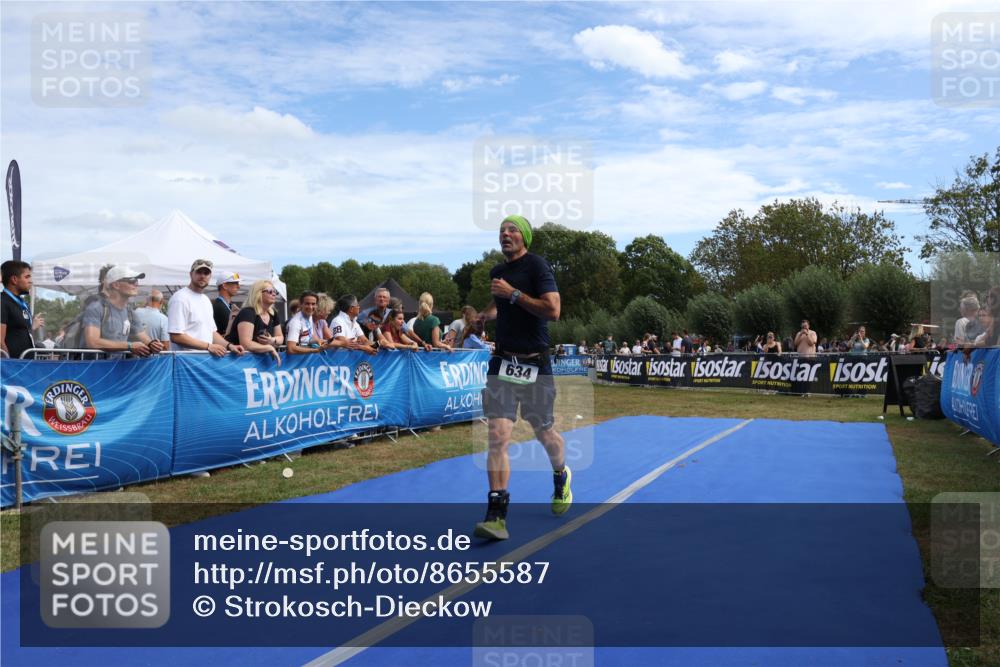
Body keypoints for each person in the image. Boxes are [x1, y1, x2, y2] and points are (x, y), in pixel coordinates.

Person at [474, 214, 570, 541]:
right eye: (502, 230)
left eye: (512, 229)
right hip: (503, 362)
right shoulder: (497, 272)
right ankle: (496, 516)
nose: (505, 233)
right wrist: (484, 316)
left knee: (544, 432)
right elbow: (499, 303)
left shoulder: (537, 266)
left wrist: (514, 294)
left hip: (534, 364)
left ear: (524, 236)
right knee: (497, 435)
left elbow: (553, 310)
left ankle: (560, 475)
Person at [167, 259, 246, 356]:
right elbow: (176, 336)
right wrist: (208, 346)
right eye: (199, 272)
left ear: (210, 276)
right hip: (185, 361)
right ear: (191, 274)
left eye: (206, 273)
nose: (202, 276)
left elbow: (211, 332)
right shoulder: (180, 298)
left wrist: (229, 346)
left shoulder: (205, 300)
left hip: (204, 360)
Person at [82, 266, 163, 357]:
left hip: (115, 365)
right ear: (116, 285)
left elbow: (143, 337)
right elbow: (93, 342)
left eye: (137, 281)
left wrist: (152, 344)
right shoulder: (96, 307)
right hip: (92, 365)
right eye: (132, 280)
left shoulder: (130, 312)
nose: (136, 284)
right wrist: (129, 346)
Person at [227, 279, 284, 364]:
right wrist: (269, 347)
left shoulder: (273, 313)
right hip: (238, 361)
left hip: (256, 363)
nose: (274, 294)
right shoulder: (248, 312)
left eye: (275, 291)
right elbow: (246, 344)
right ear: (258, 293)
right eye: (270, 291)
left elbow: (280, 337)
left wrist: (272, 340)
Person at [1, 260, 39, 359]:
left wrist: (32, 327)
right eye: (27, 277)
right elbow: (0, 341)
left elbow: (20, 333)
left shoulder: (22, 303)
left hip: (25, 364)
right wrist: (9, 364)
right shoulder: (2, 301)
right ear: (14, 279)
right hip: (12, 366)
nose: (31, 281)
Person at [213, 271, 241, 336]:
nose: (238, 286)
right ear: (224, 286)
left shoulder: (227, 305)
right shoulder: (219, 307)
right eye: (236, 283)